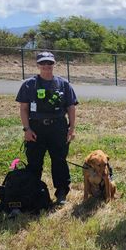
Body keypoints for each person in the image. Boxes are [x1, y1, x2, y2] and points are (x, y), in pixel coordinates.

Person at [16, 51, 78, 205]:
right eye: (43, 63)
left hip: (58, 127)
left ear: (54, 64)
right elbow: (24, 109)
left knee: (59, 160)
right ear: (37, 65)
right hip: (36, 128)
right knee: (34, 162)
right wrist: (26, 129)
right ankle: (34, 192)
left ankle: (62, 192)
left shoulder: (63, 84)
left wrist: (72, 128)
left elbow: (71, 107)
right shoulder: (29, 85)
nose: (46, 66)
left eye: (49, 63)